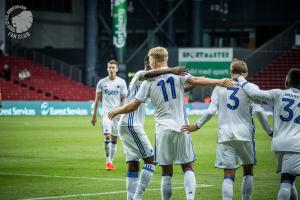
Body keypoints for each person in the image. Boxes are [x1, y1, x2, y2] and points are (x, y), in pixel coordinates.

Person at [108, 46, 233, 200]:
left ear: (153, 61)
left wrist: (116, 111)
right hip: (182, 127)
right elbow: (195, 80)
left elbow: (133, 105)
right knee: (188, 166)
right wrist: (218, 81)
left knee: (166, 171)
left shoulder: (149, 81)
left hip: (162, 130)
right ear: (166, 59)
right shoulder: (179, 74)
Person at [181, 59, 273, 200]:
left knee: (228, 175)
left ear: (230, 72)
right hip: (245, 134)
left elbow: (211, 111)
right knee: (248, 170)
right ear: (246, 73)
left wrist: (197, 125)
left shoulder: (220, 87)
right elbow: (260, 111)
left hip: (225, 135)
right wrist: (269, 131)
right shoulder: (251, 88)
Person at [118, 55, 188, 200]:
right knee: (151, 160)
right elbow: (148, 75)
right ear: (148, 63)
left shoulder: (153, 81)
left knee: (133, 164)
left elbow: (174, 89)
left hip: (127, 124)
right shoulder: (141, 75)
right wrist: (171, 70)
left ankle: (130, 198)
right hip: (131, 124)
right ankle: (137, 197)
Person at [235, 68, 300, 200]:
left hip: (278, 144)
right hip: (296, 145)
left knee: (290, 181)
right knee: (286, 183)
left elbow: (254, 94)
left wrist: (240, 78)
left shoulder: (278, 94)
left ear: (286, 82)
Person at [91, 59, 127, 171]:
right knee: (107, 136)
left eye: (113, 67)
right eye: (109, 67)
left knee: (114, 138)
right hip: (106, 114)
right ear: (107, 69)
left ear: (116, 69)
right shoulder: (102, 82)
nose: (111, 69)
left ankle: (111, 162)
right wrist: (94, 115)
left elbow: (124, 99)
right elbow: (97, 99)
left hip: (116, 115)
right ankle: (108, 162)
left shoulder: (121, 82)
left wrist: (120, 112)